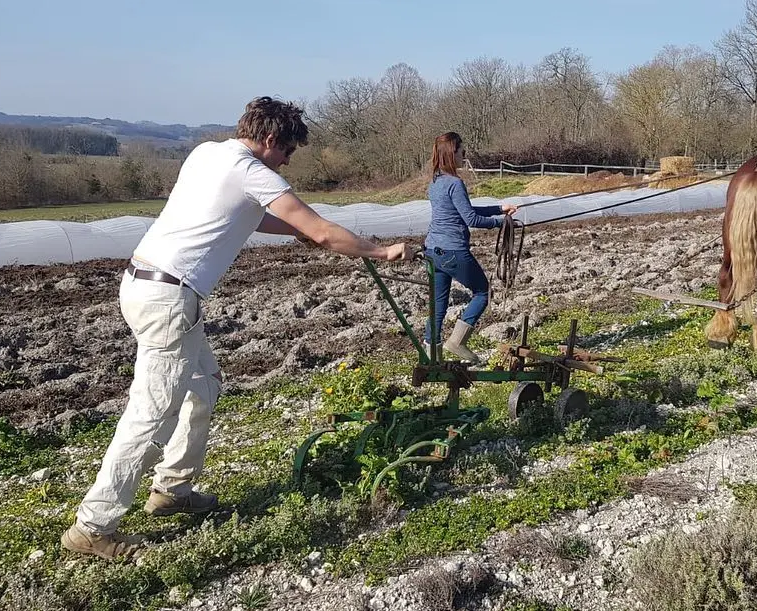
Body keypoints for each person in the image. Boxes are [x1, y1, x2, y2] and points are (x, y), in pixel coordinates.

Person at [61, 96, 413, 560]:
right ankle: (94, 525)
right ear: (270, 139)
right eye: (288, 149)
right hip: (169, 297)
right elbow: (323, 230)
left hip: (149, 284)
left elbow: (254, 215)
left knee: (203, 387)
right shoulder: (253, 171)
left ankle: (173, 489)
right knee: (152, 412)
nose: (289, 159)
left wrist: (296, 231)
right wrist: (380, 251)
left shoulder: (208, 153)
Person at [422, 132, 517, 363]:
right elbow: (471, 219)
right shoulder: (455, 183)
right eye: (461, 150)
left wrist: (498, 209)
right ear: (451, 153)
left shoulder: (436, 182)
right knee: (483, 292)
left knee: (438, 304)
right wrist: (502, 222)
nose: (464, 154)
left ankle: (431, 355)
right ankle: (457, 342)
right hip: (454, 251)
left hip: (433, 251)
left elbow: (466, 211)